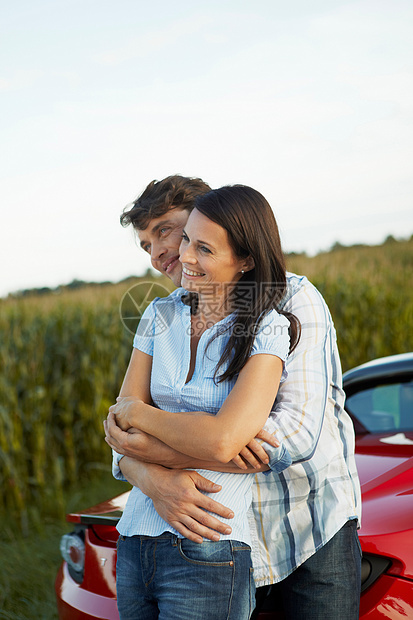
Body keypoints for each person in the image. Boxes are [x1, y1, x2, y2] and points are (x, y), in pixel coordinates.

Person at [105, 175, 362, 619]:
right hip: (214, 533)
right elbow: (119, 431)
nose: (160, 253)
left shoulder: (290, 301)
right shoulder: (166, 314)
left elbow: (291, 437)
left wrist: (148, 447)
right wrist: (153, 480)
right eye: (147, 245)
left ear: (206, 214)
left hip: (305, 527)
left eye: (167, 232)